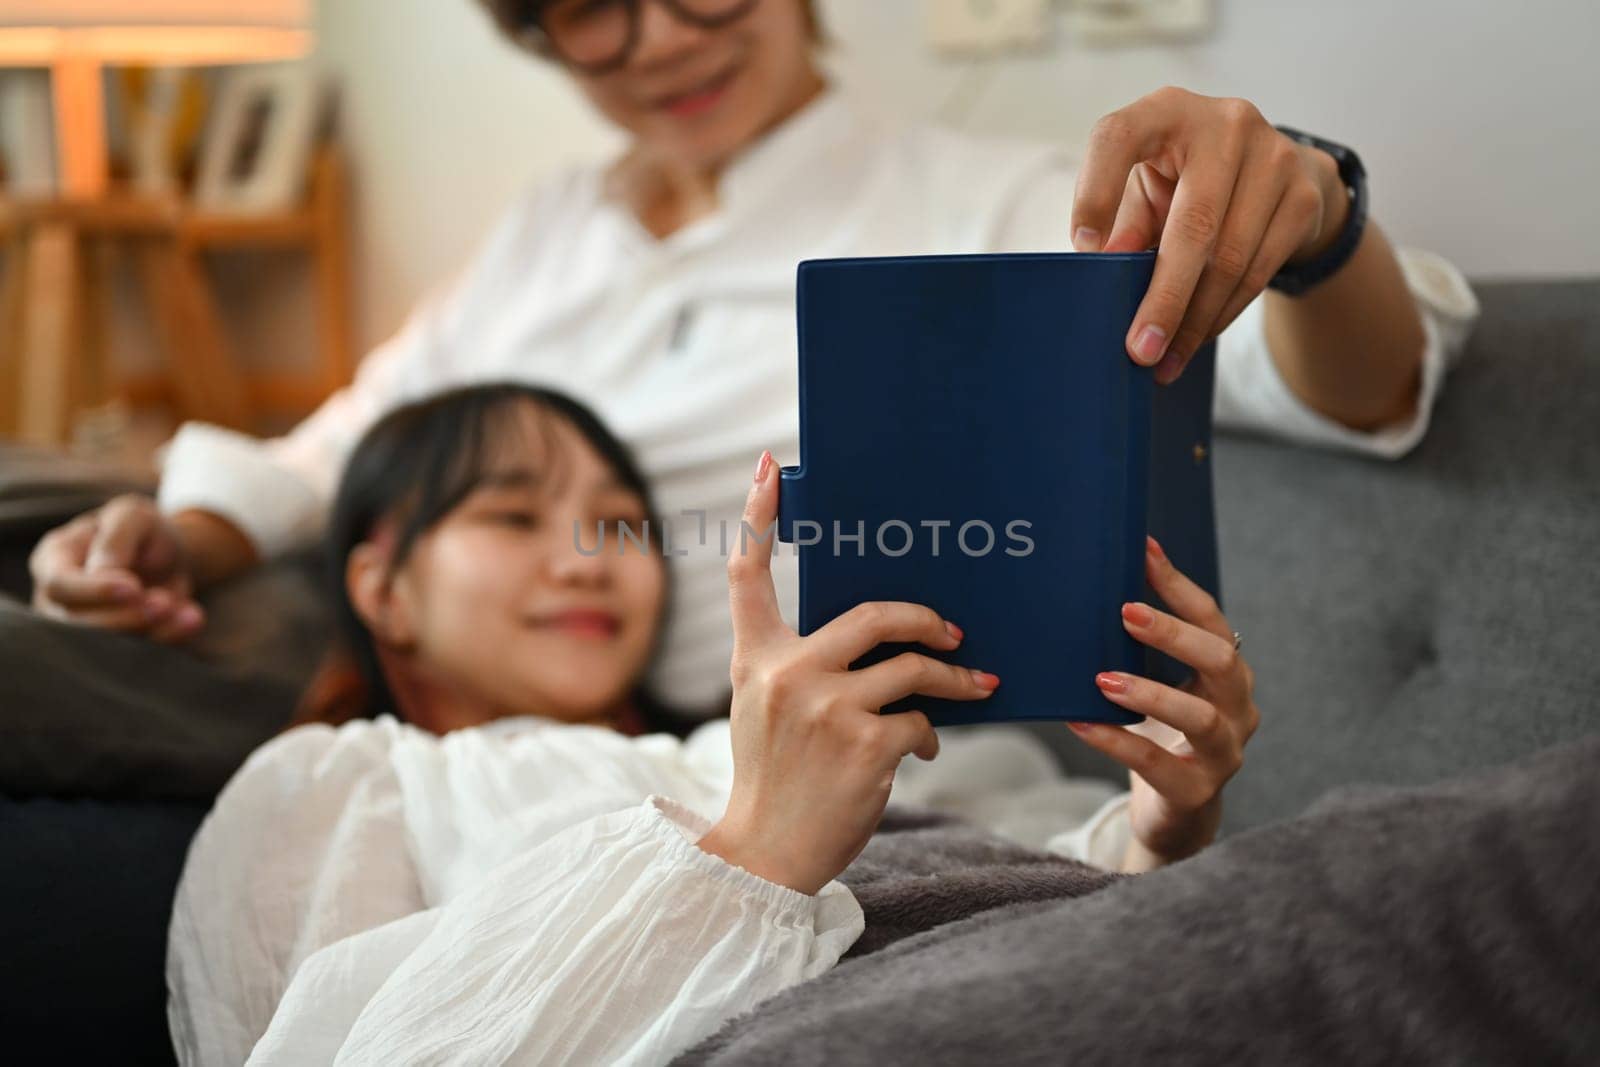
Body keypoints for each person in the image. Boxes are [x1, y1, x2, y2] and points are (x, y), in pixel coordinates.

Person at [28, 0, 1479, 717]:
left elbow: (1360, 391)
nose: (659, 42)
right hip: (501, 743)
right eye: (592, 6)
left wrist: (1317, 216)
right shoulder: (551, 227)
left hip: (790, 762)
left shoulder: (979, 205)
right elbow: (342, 445)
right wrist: (171, 535)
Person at [168, 383, 1260, 1063]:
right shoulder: (349, 777)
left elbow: (1059, 883)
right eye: (511, 514)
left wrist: (1161, 828)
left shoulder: (812, 732)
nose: (584, 555)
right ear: (383, 587)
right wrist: (755, 851)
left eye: (620, 524)